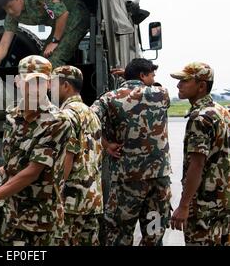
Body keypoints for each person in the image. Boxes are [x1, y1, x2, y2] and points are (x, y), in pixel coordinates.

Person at [0, 55, 72, 246]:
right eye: (28, 81)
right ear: (17, 82)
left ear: (49, 85)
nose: (34, 88)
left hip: (40, 222)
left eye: (40, 81)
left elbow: (32, 172)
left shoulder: (58, 121)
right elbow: (14, 162)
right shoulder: (12, 115)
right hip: (9, 216)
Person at [91, 58, 172, 246]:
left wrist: (105, 144)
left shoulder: (109, 98)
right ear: (142, 76)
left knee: (120, 232)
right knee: (154, 232)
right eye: (151, 74)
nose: (154, 78)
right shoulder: (162, 94)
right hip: (158, 181)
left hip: (126, 181)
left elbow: (89, 119)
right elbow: (150, 90)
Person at [170, 62, 230, 246]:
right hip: (223, 201)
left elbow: (197, 164)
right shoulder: (222, 112)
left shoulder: (200, 118)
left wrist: (184, 205)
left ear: (201, 85)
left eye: (184, 81)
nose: (178, 85)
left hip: (204, 204)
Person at [51, 66, 103, 246]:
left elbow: (67, 156)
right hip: (91, 198)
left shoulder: (66, 115)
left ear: (65, 85)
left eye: (53, 84)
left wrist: (56, 196)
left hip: (71, 201)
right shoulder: (90, 112)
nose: (50, 88)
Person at [0, 0, 90, 70]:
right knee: (41, 61)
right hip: (60, 25)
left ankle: (56, 93)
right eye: (5, 9)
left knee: (53, 61)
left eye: (10, 6)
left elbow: (63, 13)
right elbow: (4, 42)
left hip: (76, 15)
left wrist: (55, 41)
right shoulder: (12, 16)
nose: (9, 11)